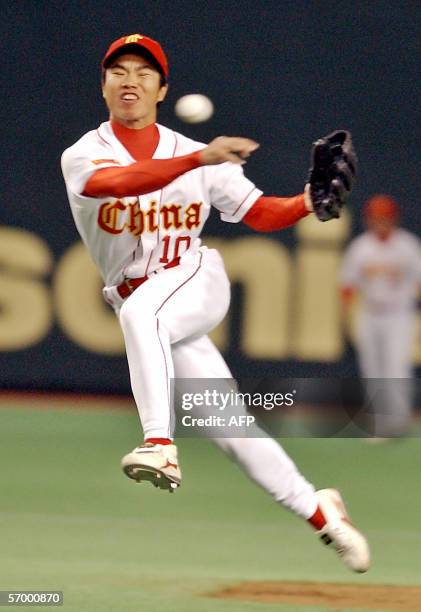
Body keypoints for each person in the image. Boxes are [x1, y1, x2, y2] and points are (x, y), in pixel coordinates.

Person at [61, 33, 369, 572]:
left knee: (143, 313)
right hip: (149, 304)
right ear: (104, 85)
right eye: (119, 71)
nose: (130, 80)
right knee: (231, 428)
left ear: (162, 89)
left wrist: (306, 202)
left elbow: (258, 212)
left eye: (144, 72)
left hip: (194, 277)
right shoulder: (84, 153)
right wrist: (201, 158)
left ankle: (158, 442)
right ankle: (322, 512)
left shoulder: (195, 156)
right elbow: (119, 182)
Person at [340, 195, 421, 437]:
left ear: (393, 218)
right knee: (372, 369)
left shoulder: (407, 245)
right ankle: (381, 423)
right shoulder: (361, 247)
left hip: (399, 314)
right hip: (370, 314)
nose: (379, 222)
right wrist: (345, 318)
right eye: (375, 218)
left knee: (396, 367)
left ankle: (398, 422)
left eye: (384, 217)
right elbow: (347, 285)